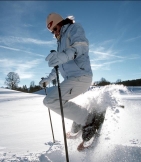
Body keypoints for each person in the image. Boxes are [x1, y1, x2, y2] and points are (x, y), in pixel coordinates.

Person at [39, 13, 105, 151]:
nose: (55, 33)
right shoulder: (60, 41)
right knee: (53, 101)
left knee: (50, 101)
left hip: (81, 76)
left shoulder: (74, 29)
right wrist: (48, 79)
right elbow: (59, 66)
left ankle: (88, 120)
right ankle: (83, 118)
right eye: (52, 32)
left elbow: (81, 46)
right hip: (72, 79)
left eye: (55, 29)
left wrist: (64, 55)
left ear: (61, 23)